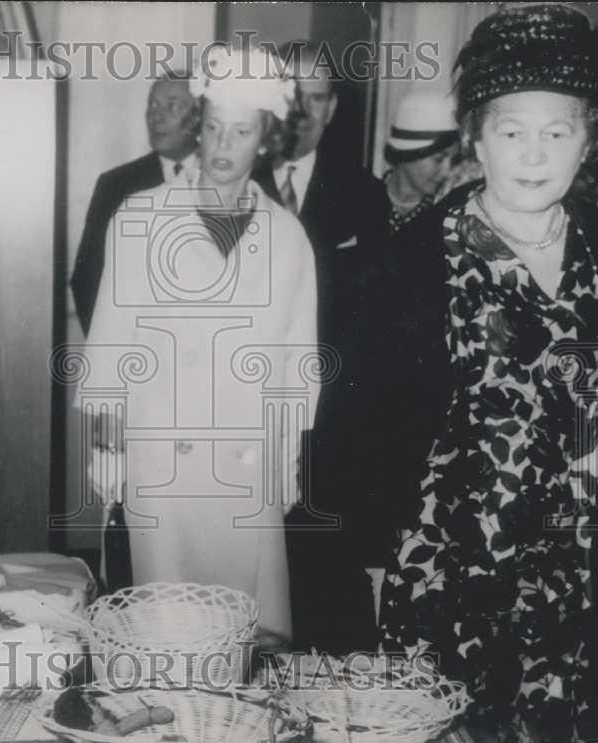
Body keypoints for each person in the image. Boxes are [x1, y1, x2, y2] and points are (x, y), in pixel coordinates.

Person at [377, 6, 598, 741]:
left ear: (587, 141)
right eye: (510, 131)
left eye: (556, 133)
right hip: (447, 573)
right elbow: (359, 431)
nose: (534, 155)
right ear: (475, 139)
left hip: (579, 578)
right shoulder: (407, 261)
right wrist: (371, 563)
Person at [77, 45, 318, 647]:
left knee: (243, 631)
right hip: (164, 453)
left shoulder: (287, 237)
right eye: (212, 128)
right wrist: (107, 445)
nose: (221, 146)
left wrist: (287, 457)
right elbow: (110, 333)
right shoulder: (139, 217)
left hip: (245, 461)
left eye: (240, 132)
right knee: (168, 623)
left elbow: (296, 360)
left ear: (265, 139)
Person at [252, 39, 392, 654]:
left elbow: (371, 326)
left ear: (332, 108)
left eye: (317, 98)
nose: (304, 112)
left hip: (330, 424)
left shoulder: (365, 196)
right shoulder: (234, 187)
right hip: (248, 415)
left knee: (319, 583)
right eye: (294, 98)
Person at [70, 71, 199, 337]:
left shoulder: (229, 180)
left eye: (172, 105)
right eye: (152, 104)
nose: (155, 115)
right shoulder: (116, 185)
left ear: (200, 116)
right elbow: (87, 278)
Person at [383, 89, 461, 236]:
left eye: (454, 160)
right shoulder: (360, 199)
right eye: (438, 159)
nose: (447, 171)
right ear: (408, 153)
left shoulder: (446, 218)